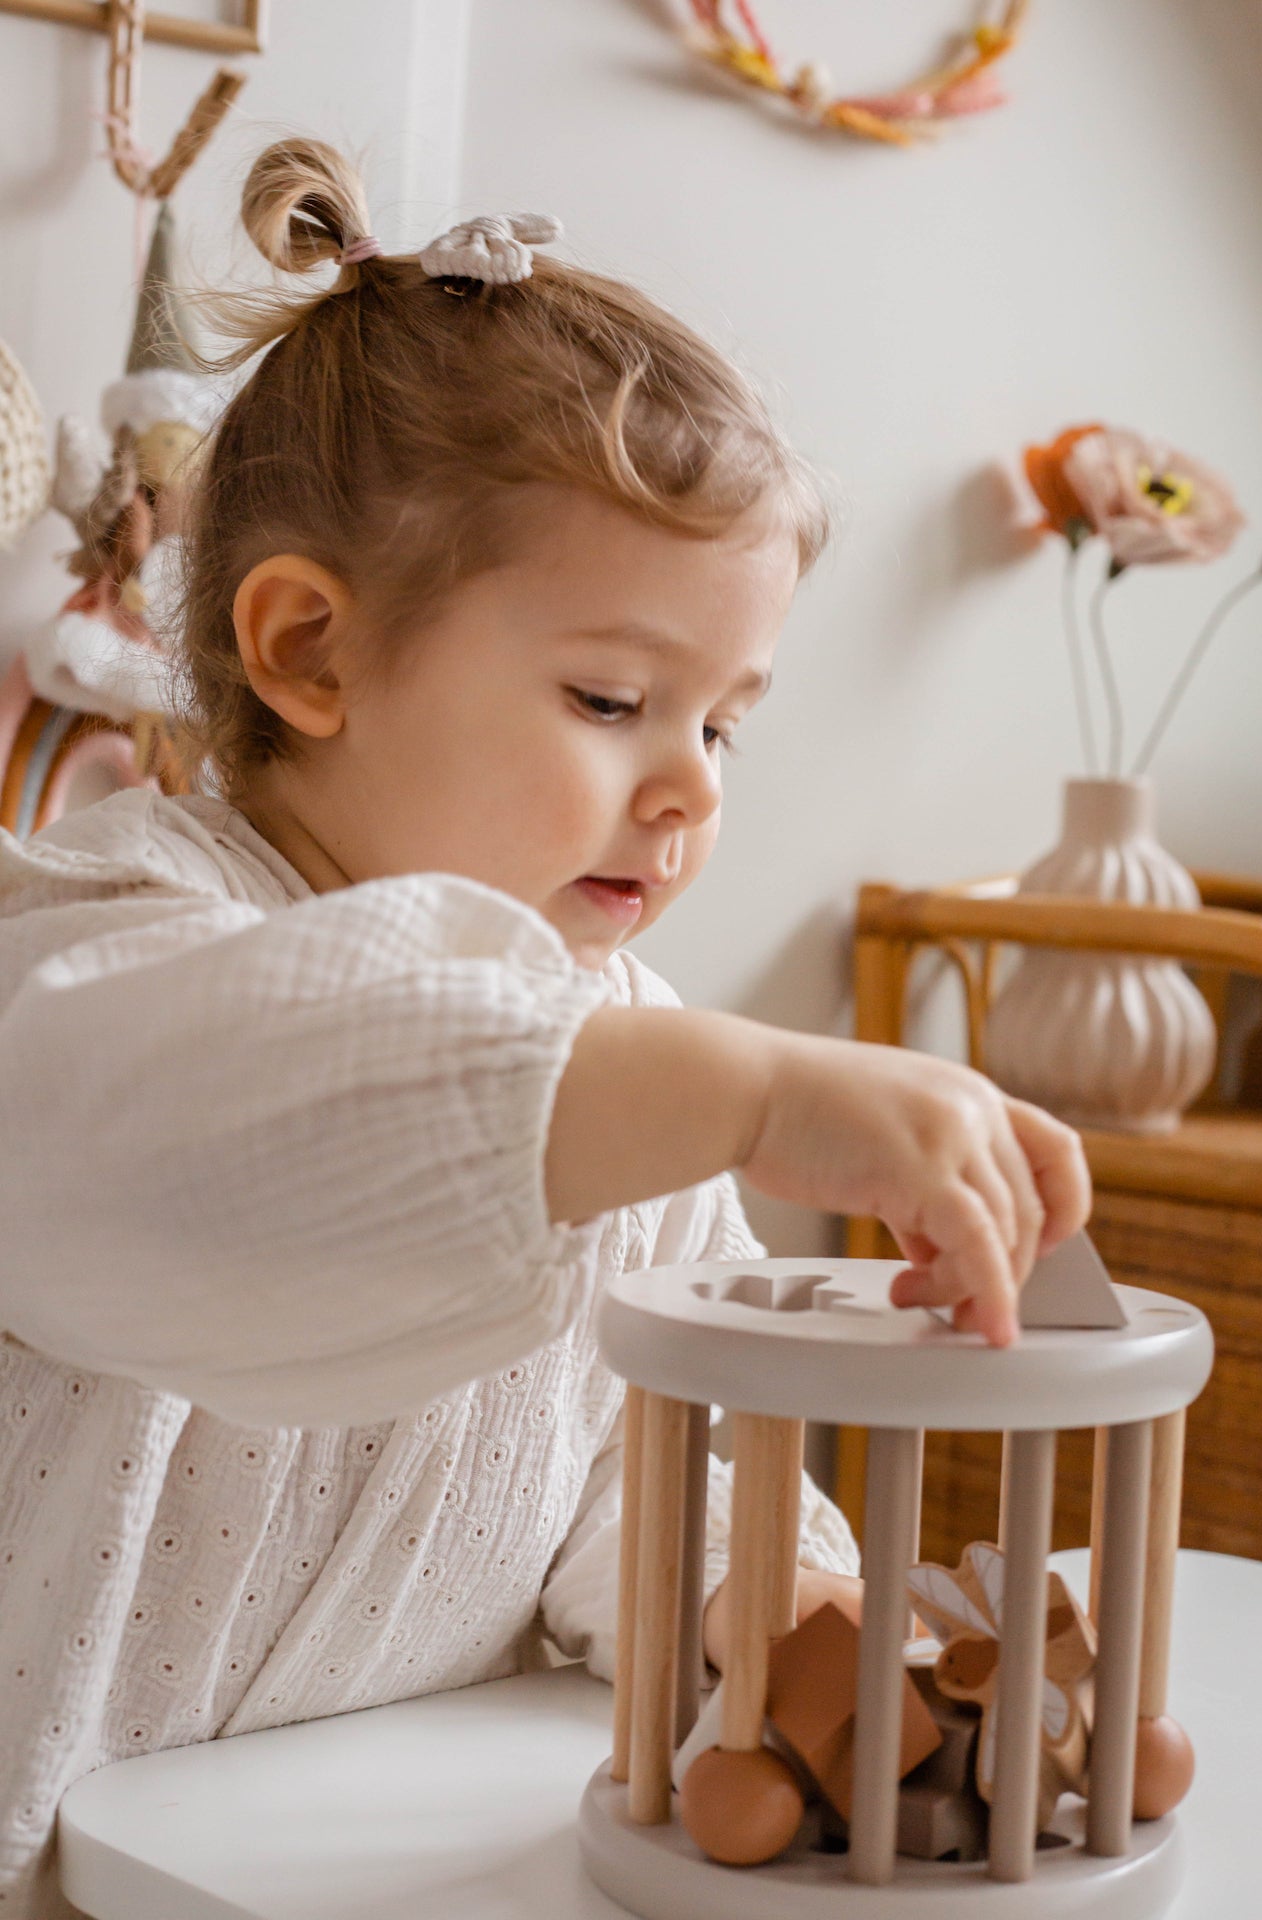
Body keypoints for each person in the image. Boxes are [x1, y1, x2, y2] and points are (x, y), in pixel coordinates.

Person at [0, 141, 1089, 1917]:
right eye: (612, 698)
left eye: (725, 726)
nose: (688, 792)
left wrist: (781, 1612)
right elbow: (247, 1126)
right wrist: (730, 1089)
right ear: (308, 652)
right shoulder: (102, 948)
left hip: (370, 1866)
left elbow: (639, 1473)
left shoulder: (634, 1058)